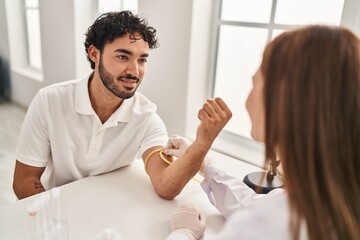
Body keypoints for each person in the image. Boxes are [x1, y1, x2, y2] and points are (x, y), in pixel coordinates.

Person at [165, 25, 360, 240]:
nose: (247, 99)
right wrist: (205, 164)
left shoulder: (268, 225)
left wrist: (183, 234)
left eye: (254, 82)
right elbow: (254, 205)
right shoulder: (336, 196)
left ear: (282, 102)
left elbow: (262, 218)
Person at [12, 11, 232, 200]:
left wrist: (202, 143)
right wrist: (57, 218)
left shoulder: (147, 117)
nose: (134, 71)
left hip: (113, 213)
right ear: (94, 54)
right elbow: (24, 180)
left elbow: (166, 186)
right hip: (58, 209)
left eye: (142, 60)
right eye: (122, 57)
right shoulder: (49, 100)